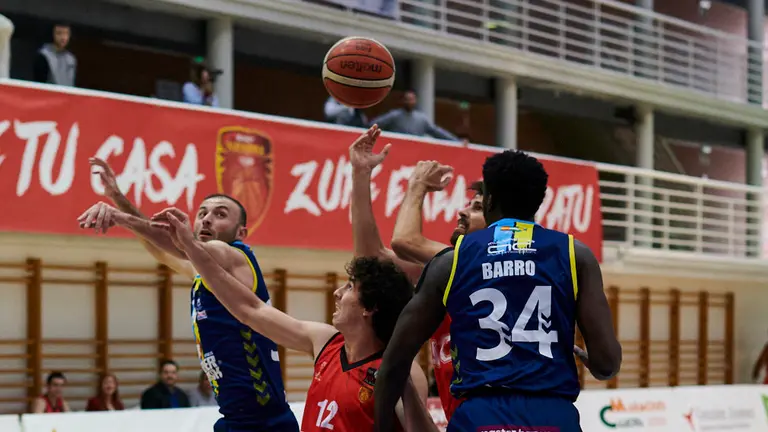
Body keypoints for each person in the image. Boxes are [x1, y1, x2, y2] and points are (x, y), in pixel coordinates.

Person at [374, 150, 622, 432]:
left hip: (480, 414)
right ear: (538, 202)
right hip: (553, 415)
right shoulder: (574, 255)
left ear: (489, 200)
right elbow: (607, 364)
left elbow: (395, 361)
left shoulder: (452, 260)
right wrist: (594, 362)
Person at [147, 202, 429, 431]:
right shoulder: (325, 342)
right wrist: (190, 246)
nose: (337, 293)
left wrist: (400, 380)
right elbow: (250, 309)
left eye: (349, 287)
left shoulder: (399, 370)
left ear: (369, 307)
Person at [78, 163, 299, 431]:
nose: (206, 219)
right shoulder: (203, 271)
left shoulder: (235, 254)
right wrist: (118, 198)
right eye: (202, 213)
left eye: (220, 214)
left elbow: (180, 246)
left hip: (262, 421)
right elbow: (159, 246)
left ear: (241, 232)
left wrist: (118, 217)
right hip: (237, 418)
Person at [348, 125, 481, 422]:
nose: (462, 211)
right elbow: (372, 260)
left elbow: (403, 241)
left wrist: (417, 185)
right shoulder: (446, 272)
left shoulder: (474, 261)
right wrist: (360, 174)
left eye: (477, 208)